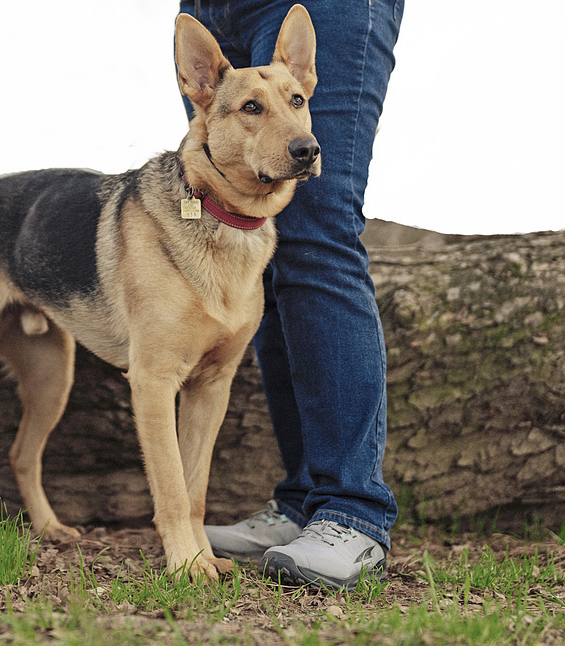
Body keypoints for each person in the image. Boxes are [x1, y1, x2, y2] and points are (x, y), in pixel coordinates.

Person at [177, 0, 403, 590]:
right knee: (253, 244)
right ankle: (303, 505)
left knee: (315, 237)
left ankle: (352, 512)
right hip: (210, 11)